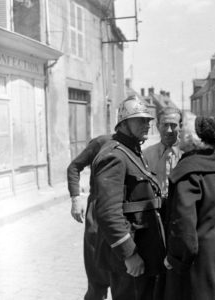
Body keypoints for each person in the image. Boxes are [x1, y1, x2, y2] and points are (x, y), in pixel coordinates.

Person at [88, 95, 166, 300]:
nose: (147, 124)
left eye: (148, 120)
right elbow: (107, 212)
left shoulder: (131, 151)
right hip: (129, 260)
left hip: (144, 251)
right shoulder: (114, 156)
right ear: (123, 123)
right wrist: (129, 254)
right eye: (140, 119)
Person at [163, 113, 215, 300]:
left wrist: (174, 260)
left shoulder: (188, 171)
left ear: (191, 139)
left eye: (181, 130)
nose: (177, 133)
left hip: (200, 261)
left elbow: (184, 227)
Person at [67, 135, 112, 300]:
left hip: (123, 212)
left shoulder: (137, 146)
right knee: (96, 275)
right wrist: (76, 198)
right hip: (98, 212)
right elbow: (74, 167)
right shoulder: (101, 143)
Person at [143, 107, 183, 199]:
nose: (169, 130)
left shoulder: (188, 155)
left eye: (173, 125)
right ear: (157, 126)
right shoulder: (146, 155)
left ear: (180, 126)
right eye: (165, 125)